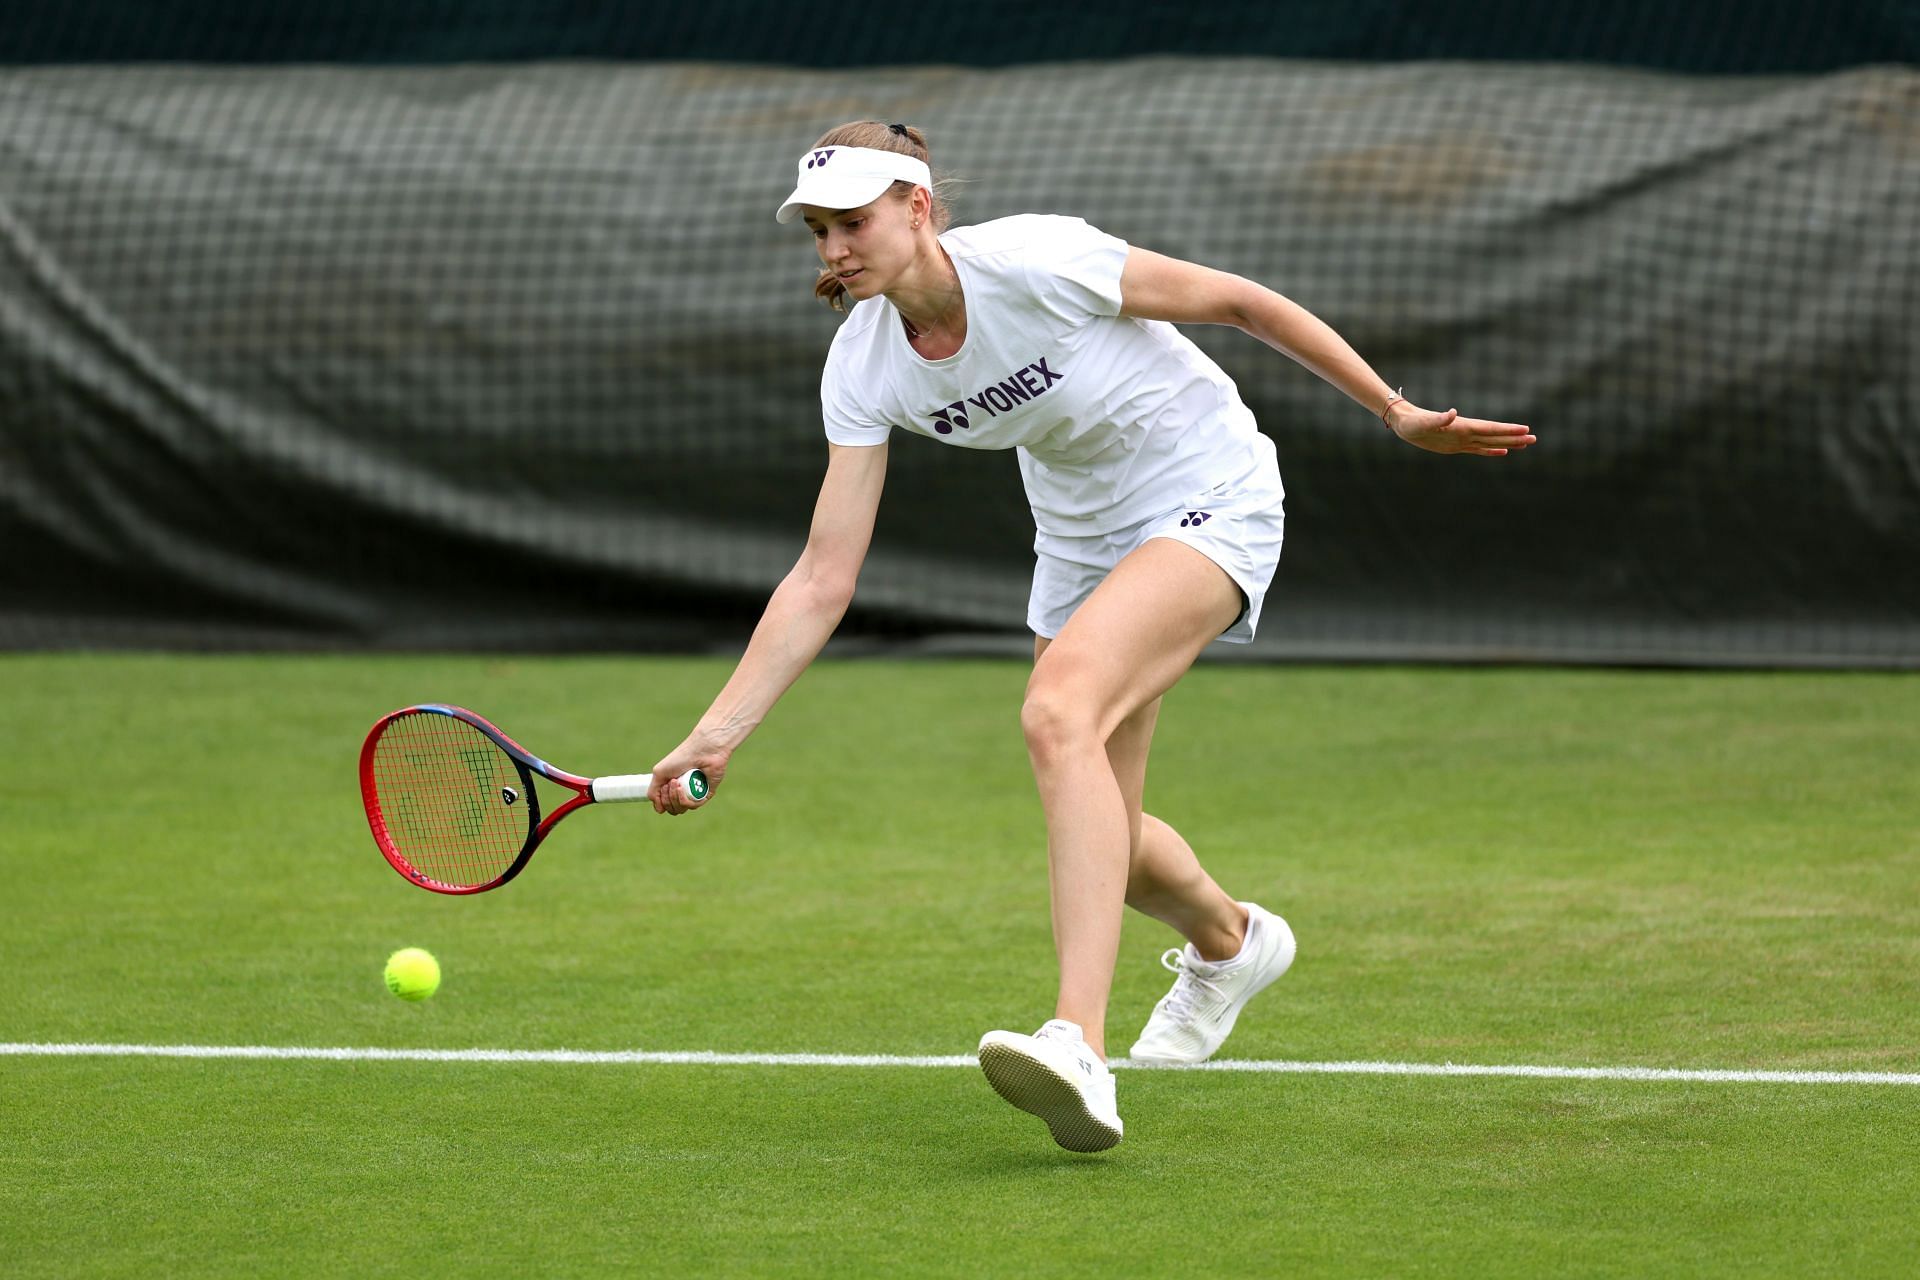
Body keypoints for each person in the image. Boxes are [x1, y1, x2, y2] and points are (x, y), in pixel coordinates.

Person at [646, 120, 1534, 1152]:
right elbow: (821, 576)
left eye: (852, 221)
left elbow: (1240, 302)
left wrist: (1395, 410)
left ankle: (1077, 1041)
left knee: (1055, 711)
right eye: (819, 231)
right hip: (1078, 542)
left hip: (1210, 491)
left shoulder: (1038, 260)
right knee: (1104, 826)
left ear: (918, 208)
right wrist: (719, 729)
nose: (833, 247)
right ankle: (1230, 941)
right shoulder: (864, 364)